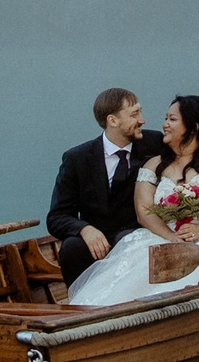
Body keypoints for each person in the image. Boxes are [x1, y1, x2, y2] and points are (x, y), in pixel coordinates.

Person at [65, 95, 199, 308]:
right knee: (124, 283)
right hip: (166, 235)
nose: (164, 124)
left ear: (192, 127)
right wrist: (171, 237)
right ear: (112, 120)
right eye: (165, 118)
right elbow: (144, 210)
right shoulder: (153, 163)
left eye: (172, 119)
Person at [45, 88, 166, 285]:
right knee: (71, 248)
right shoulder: (77, 159)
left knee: (130, 241)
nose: (142, 120)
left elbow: (195, 149)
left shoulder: (155, 143)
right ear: (113, 121)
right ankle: (80, 307)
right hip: (97, 238)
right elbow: (57, 216)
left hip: (139, 234)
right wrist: (84, 229)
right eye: (134, 114)